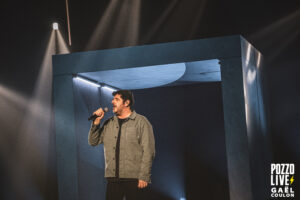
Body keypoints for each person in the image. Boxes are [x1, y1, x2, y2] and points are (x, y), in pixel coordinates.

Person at [88, 90, 155, 200]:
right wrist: (96, 122)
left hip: (134, 178)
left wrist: (144, 176)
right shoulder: (108, 123)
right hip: (113, 179)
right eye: (113, 99)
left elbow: (148, 150)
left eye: (116, 99)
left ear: (126, 103)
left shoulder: (141, 122)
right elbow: (93, 141)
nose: (112, 101)